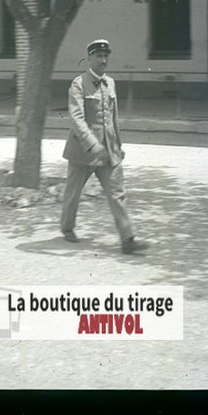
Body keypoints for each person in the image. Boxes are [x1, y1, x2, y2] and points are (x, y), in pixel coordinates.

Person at [60, 39, 149, 255]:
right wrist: (92, 144)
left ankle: (127, 239)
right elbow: (77, 119)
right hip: (83, 151)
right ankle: (67, 227)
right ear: (89, 58)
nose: (103, 60)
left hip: (108, 151)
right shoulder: (78, 84)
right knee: (73, 193)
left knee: (117, 193)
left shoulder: (110, 83)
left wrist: (118, 146)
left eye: (105, 56)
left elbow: (113, 118)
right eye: (98, 56)